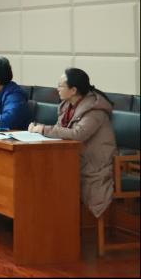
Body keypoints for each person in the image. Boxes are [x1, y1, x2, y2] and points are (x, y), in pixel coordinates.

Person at [27, 68, 115, 219]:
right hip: (74, 157)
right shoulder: (67, 106)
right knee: (38, 172)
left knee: (50, 177)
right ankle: (44, 220)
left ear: (73, 90)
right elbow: (60, 130)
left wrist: (43, 129)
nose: (57, 88)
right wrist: (40, 129)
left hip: (93, 162)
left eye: (60, 85)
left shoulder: (94, 109)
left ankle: (62, 222)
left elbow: (78, 134)